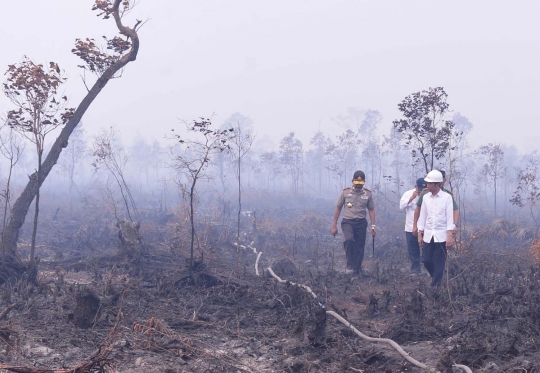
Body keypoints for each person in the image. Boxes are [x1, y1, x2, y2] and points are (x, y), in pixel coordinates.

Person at [331, 170, 376, 275]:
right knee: (349, 240)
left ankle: (357, 268)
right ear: (353, 181)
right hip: (348, 222)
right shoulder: (345, 193)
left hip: (361, 222)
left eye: (361, 184)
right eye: (357, 183)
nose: (359, 186)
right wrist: (334, 225)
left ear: (364, 182)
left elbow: (371, 209)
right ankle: (350, 265)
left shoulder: (368, 194)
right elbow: (338, 208)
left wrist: (373, 226)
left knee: (360, 245)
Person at [417, 170, 455, 288]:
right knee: (426, 260)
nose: (427, 186)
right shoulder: (426, 197)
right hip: (428, 234)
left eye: (430, 184)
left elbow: (450, 217)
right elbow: (422, 216)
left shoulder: (447, 197)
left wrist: (449, 235)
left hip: (442, 235)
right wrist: (419, 233)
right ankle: (437, 279)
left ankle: (435, 286)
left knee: (439, 262)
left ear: (438, 184)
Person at [412, 169, 459, 237]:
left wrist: (455, 225)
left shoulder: (448, 195)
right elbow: (418, 209)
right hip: (427, 230)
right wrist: (415, 225)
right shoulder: (425, 194)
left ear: (444, 181)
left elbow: (455, 210)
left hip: (442, 231)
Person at [399, 178, 427, 276]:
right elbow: (401, 206)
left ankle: (428, 269)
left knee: (426, 249)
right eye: (419, 190)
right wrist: (411, 198)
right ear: (415, 186)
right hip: (410, 227)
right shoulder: (408, 193)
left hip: (425, 227)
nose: (420, 192)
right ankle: (415, 270)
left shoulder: (428, 196)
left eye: (422, 190)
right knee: (413, 250)